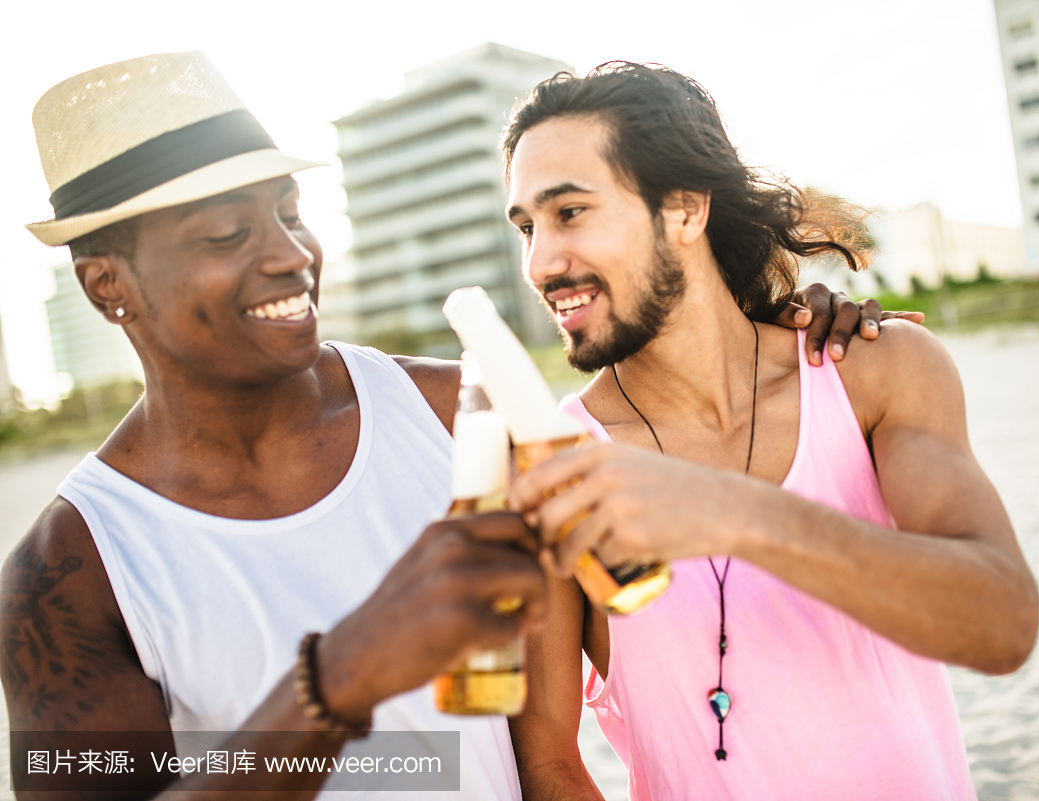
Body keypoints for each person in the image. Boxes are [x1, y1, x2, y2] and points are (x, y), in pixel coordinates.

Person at [2, 52, 887, 800]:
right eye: (227, 234)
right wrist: (337, 679)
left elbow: (554, 749)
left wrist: (780, 330)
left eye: (290, 213)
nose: (290, 254)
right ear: (107, 285)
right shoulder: (67, 574)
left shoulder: (460, 411)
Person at [503, 63, 1039, 800]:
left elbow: (1003, 625)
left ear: (685, 208)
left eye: (570, 212)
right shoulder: (548, 466)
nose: (541, 263)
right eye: (526, 227)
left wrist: (738, 514)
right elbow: (546, 764)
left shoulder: (874, 374)